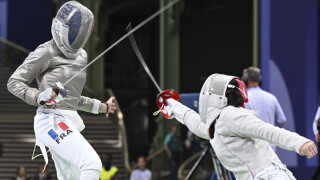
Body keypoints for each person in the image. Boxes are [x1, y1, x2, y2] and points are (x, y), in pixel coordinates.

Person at [7, 1, 116, 179]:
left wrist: (102, 107)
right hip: (50, 120)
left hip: (69, 120)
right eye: (73, 30)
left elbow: (71, 98)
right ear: (61, 27)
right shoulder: (46, 51)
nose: (77, 35)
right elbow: (13, 82)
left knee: (70, 177)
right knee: (91, 164)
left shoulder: (81, 56)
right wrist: (39, 96)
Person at [157, 73, 317, 180]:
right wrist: (171, 105)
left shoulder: (223, 119)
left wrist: (299, 143)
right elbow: (190, 118)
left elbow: (267, 131)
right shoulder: (218, 122)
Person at [242, 67, 286, 151]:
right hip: (269, 146)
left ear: (245, 80)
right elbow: (282, 120)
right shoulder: (271, 98)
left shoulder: (243, 98)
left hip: (250, 146)